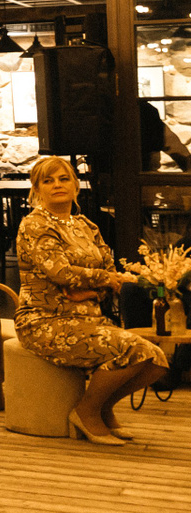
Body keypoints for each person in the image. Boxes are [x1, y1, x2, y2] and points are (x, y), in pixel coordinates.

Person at [11, 157, 168, 443]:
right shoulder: (35, 224)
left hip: (88, 317)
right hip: (44, 320)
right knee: (132, 350)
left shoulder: (86, 225)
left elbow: (109, 269)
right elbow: (60, 272)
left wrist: (91, 289)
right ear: (37, 189)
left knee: (156, 360)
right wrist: (102, 280)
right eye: (48, 181)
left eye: (63, 179)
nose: (57, 185)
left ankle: (102, 407)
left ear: (75, 185)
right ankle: (86, 412)